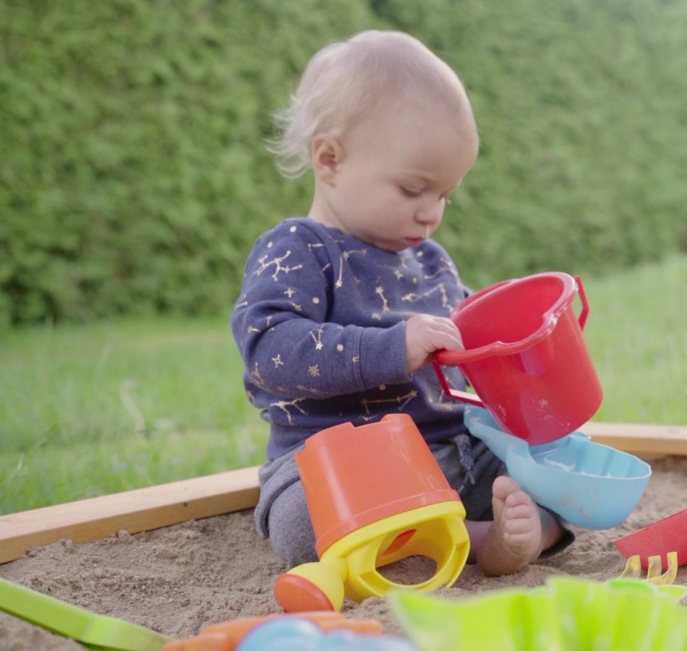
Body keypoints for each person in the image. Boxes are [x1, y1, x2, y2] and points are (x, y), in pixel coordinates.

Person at [231, 29, 570, 576]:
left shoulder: (431, 259)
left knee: (554, 462)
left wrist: (517, 352)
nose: (431, 212)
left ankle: (525, 527)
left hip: (450, 452)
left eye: (444, 195)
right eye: (414, 190)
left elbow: (468, 353)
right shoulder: (297, 251)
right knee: (302, 521)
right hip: (344, 463)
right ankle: (478, 537)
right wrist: (393, 347)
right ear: (330, 158)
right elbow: (271, 351)